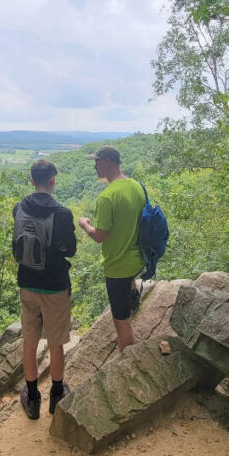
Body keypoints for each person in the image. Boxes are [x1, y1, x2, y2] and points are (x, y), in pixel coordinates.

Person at [13, 159, 77, 420]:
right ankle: (57, 393)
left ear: (31, 180)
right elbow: (70, 249)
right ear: (52, 180)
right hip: (54, 286)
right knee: (56, 341)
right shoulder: (62, 214)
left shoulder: (18, 208)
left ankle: (32, 396)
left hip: (27, 282)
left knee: (29, 338)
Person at [78, 145, 145, 352]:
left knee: (121, 321)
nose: (95, 166)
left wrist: (84, 224)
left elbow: (99, 236)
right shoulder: (136, 186)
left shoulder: (107, 197)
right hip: (137, 258)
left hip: (117, 266)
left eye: (96, 161)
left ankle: (127, 360)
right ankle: (133, 298)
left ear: (107, 162)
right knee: (129, 284)